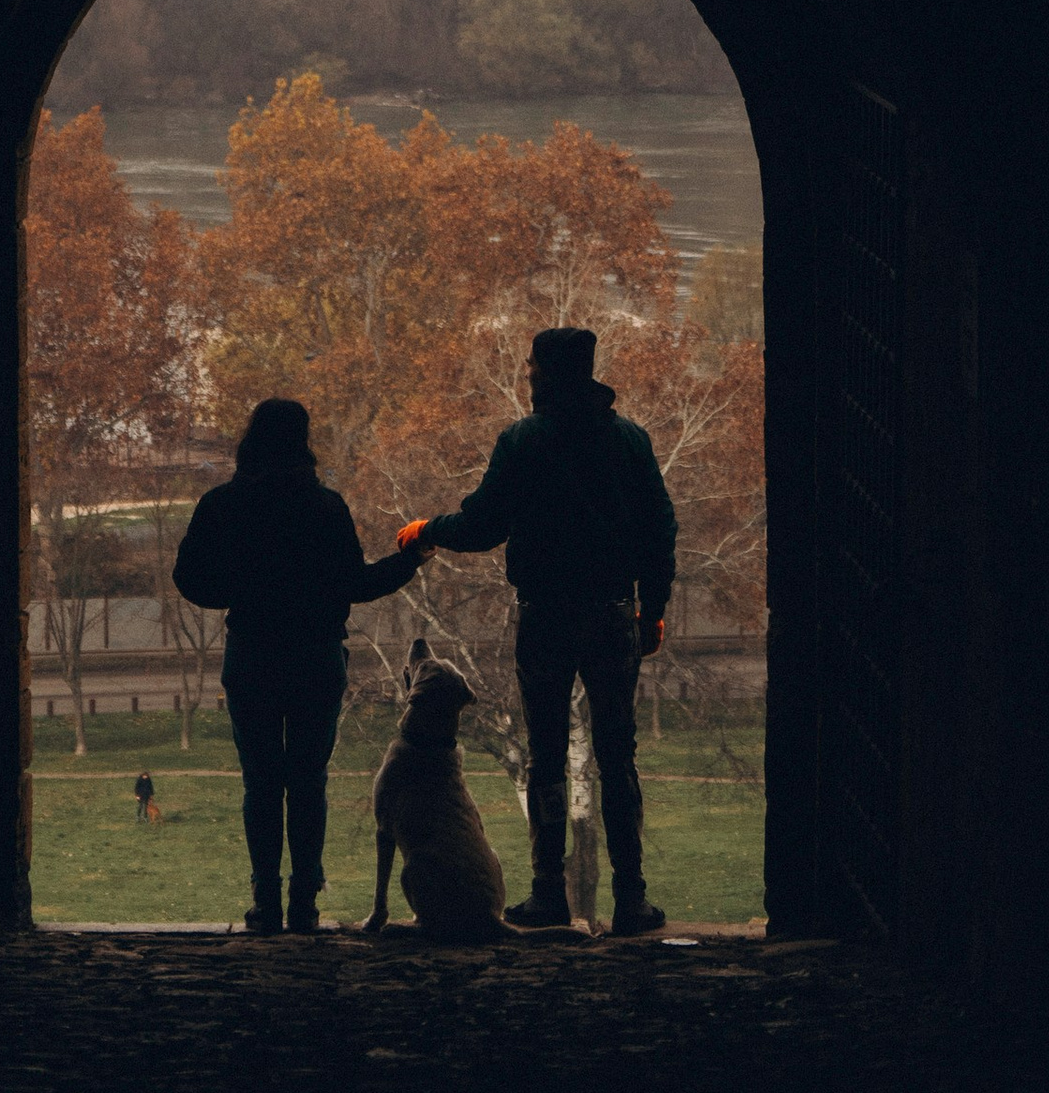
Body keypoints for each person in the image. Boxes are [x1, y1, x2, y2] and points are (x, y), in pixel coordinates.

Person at [403, 324, 677, 937]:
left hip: (546, 615)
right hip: (614, 615)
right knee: (618, 755)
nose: (526, 375)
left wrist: (428, 529)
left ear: (544, 374)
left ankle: (548, 892)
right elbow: (659, 529)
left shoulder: (523, 441)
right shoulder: (630, 441)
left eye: (530, 367)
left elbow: (482, 524)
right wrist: (651, 608)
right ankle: (631, 899)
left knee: (548, 756)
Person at [172, 399, 426, 936]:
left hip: (253, 654)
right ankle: (304, 901)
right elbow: (358, 585)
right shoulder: (324, 508)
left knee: (260, 783)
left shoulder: (221, 505)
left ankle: (265, 899)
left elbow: (190, 579)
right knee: (308, 782)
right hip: (315, 656)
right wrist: (411, 557)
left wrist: (239, 593)